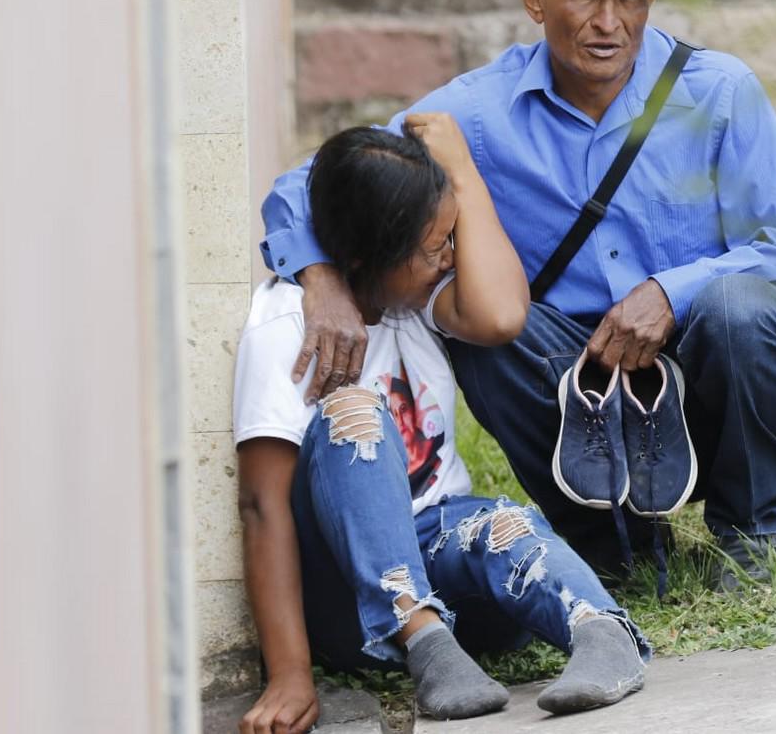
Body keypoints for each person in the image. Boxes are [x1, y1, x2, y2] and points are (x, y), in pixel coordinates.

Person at [260, 0, 776, 587]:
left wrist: (672, 293)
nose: (608, 22)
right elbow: (316, 182)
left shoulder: (718, 92)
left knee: (741, 306)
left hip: (732, 398)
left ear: (650, 2)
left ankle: (757, 533)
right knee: (489, 325)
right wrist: (321, 279)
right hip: (586, 406)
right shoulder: (478, 112)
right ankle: (607, 547)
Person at [234, 117, 650, 734]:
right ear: (363, 258)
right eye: (434, 250)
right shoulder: (286, 329)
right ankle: (424, 642)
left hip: (442, 559)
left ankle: (599, 631)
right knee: (354, 409)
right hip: (352, 601)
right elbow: (262, 507)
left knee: (502, 521)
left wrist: (461, 175)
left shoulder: (415, 300)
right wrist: (289, 673)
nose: (450, 260)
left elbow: (501, 313)